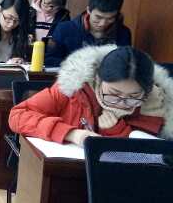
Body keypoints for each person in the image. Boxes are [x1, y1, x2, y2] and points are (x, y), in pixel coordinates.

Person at [9, 45, 173, 145]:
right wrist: (72, 134)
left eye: (133, 97)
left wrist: (115, 130)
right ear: (98, 79)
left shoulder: (155, 107)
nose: (121, 103)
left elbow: (139, 157)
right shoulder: (73, 89)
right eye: (114, 94)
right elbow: (18, 116)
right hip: (62, 173)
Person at [46, 0, 132, 67]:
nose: (103, 23)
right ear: (88, 10)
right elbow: (49, 60)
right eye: (98, 17)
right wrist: (76, 64)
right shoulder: (64, 29)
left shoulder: (123, 33)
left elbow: (125, 62)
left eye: (110, 18)